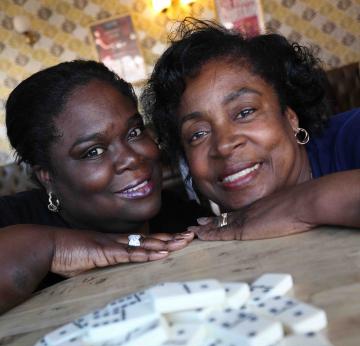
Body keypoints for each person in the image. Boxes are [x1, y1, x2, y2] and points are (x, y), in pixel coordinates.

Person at [0, 60, 198, 315]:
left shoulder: (181, 217)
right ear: (48, 175)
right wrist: (53, 247)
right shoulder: (10, 220)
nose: (132, 158)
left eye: (134, 132)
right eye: (93, 151)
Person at [141, 19, 360, 241]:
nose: (224, 145)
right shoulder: (221, 230)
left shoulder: (353, 133)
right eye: (197, 134)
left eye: (245, 112)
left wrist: (300, 203)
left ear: (290, 118)